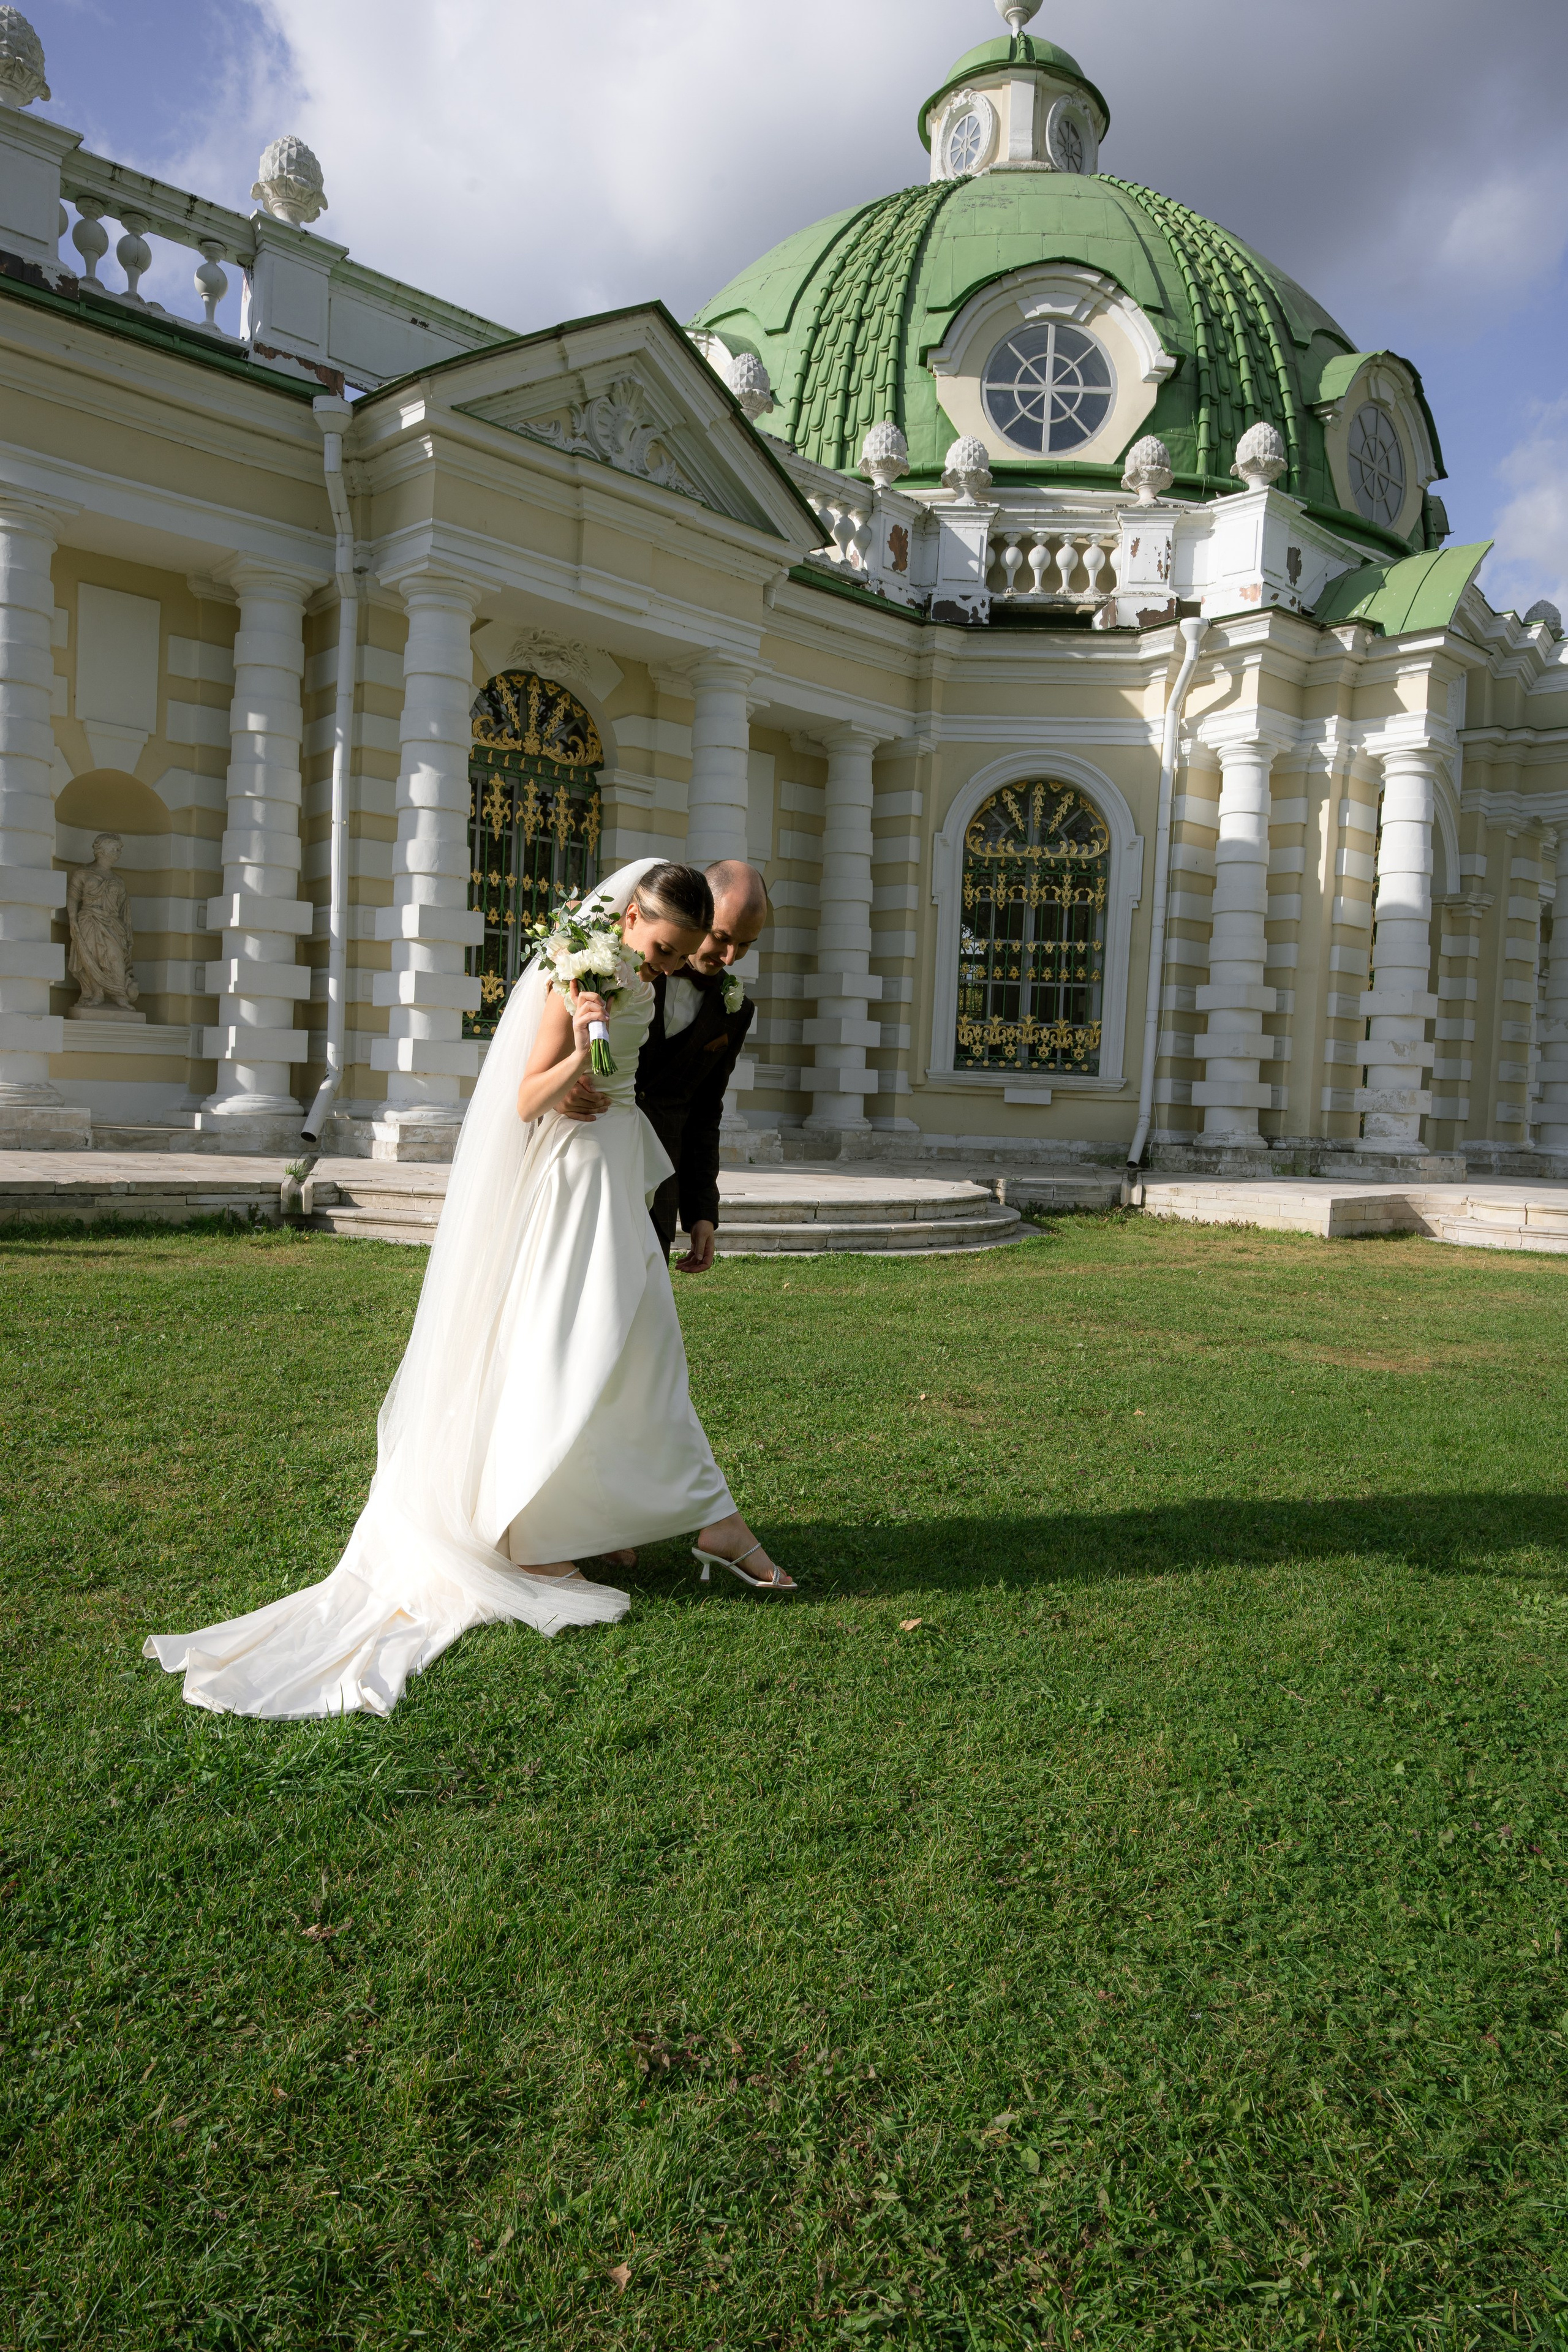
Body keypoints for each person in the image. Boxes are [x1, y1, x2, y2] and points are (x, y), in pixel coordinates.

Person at [143, 859, 794, 1722]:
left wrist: (693, 1198)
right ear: (635, 916)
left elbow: (694, 1105)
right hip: (572, 1186)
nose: (677, 967)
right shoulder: (583, 972)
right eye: (673, 948)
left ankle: (588, 1519)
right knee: (591, 1346)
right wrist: (577, 1070)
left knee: (624, 1350)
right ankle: (589, 1528)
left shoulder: (690, 989)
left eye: (695, 952)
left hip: (627, 1180)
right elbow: (527, 1095)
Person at [565, 859, 770, 1273]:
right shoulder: (617, 969)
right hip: (591, 1159)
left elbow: (705, 1112)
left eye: (746, 945)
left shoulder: (735, 1011)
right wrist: (561, 1090)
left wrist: (702, 1213)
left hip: (658, 1186)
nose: (731, 957)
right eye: (722, 938)